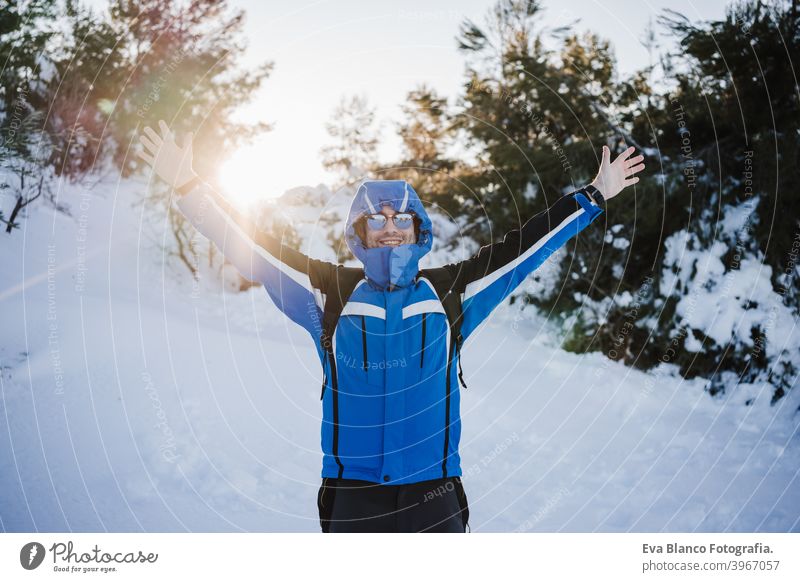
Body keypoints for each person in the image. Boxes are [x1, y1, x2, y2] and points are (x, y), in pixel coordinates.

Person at [137, 120, 645, 533]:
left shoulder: (452, 292)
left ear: (419, 229)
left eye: (401, 216)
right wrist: (189, 186)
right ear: (358, 232)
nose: (389, 225)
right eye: (375, 218)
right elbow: (254, 245)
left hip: (436, 493)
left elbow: (525, 248)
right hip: (353, 496)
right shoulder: (328, 292)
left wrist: (594, 195)